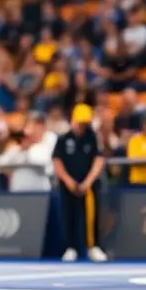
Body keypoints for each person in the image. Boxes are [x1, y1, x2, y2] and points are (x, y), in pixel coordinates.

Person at [52, 103, 107, 263]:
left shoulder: (92, 138)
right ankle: (71, 247)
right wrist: (68, 181)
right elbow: (57, 161)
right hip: (69, 184)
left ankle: (94, 247)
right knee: (69, 215)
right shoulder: (63, 139)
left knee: (92, 216)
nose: (82, 126)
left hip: (88, 185)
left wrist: (88, 181)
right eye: (80, 122)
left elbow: (99, 159)